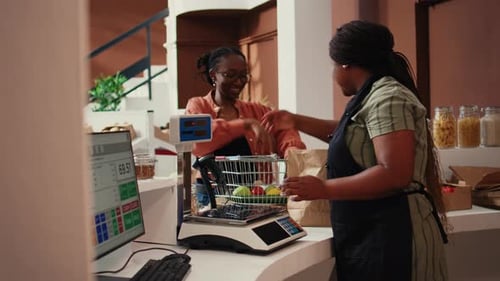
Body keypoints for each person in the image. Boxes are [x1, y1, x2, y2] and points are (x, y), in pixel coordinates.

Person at [262, 20, 448, 281]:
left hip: (398, 236)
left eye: (333, 65)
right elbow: (352, 134)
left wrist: (323, 189)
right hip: (373, 234)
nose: (334, 72)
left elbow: (394, 173)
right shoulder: (372, 95)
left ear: (346, 65)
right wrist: (296, 121)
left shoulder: (388, 98)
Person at [185, 46, 306, 158]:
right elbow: (198, 143)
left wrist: (292, 150)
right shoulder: (198, 105)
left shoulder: (259, 111)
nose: (238, 82)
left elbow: (285, 131)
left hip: (257, 181)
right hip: (211, 181)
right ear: (213, 75)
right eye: (230, 75)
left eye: (243, 76)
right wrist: (246, 124)